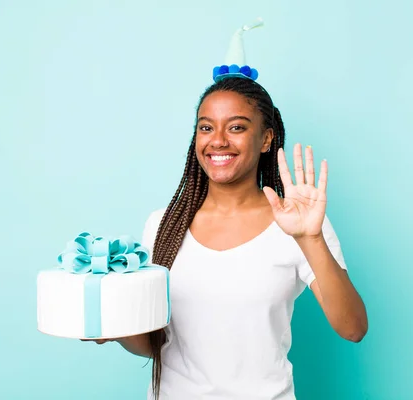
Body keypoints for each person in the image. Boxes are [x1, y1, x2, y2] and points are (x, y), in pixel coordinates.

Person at [89, 20, 368, 400]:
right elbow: (153, 342)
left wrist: (311, 238)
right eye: (206, 128)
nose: (217, 140)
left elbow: (352, 327)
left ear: (266, 138)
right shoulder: (164, 224)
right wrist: (115, 325)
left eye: (236, 127)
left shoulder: (297, 223)